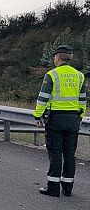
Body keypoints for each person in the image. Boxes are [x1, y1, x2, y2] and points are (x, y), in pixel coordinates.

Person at [33, 45, 87, 197]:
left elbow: (43, 98)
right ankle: (68, 188)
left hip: (56, 118)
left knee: (55, 153)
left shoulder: (52, 75)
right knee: (70, 153)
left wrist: (38, 116)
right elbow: (83, 99)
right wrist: (80, 116)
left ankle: (53, 188)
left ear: (57, 57)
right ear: (70, 58)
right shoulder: (79, 76)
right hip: (73, 119)